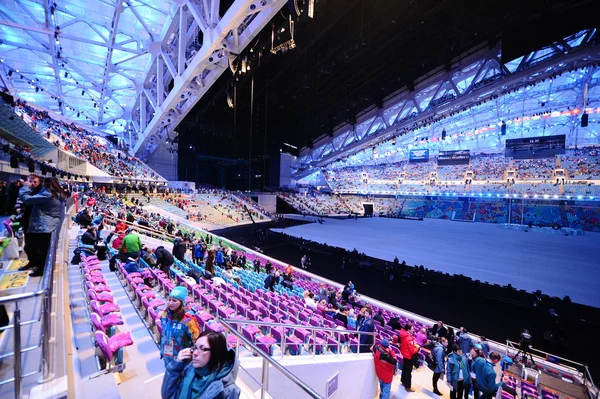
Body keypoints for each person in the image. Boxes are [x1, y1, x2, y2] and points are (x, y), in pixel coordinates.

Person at [161, 330, 240, 399]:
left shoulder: (228, 390)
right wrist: (175, 366)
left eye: (203, 349)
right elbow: (168, 396)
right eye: (195, 348)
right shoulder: (189, 370)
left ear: (216, 352)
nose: (195, 353)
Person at [18, 177, 67, 277]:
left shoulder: (47, 194)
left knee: (35, 248)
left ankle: (40, 269)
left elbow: (26, 199)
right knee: (38, 249)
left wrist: (25, 187)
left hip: (44, 226)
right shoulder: (56, 193)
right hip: (46, 225)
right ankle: (36, 266)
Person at [158, 286, 201, 367]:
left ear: (182, 303)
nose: (170, 303)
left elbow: (197, 341)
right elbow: (164, 334)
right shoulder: (164, 315)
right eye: (169, 300)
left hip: (182, 360)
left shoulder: (188, 321)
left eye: (174, 300)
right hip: (167, 355)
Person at [400, 323, 419, 392]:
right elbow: (412, 351)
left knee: (404, 369)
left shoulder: (404, 335)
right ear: (408, 330)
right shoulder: (408, 338)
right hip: (409, 356)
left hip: (405, 355)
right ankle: (407, 386)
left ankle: (403, 381)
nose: (413, 330)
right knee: (408, 371)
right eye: (412, 329)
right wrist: (417, 349)